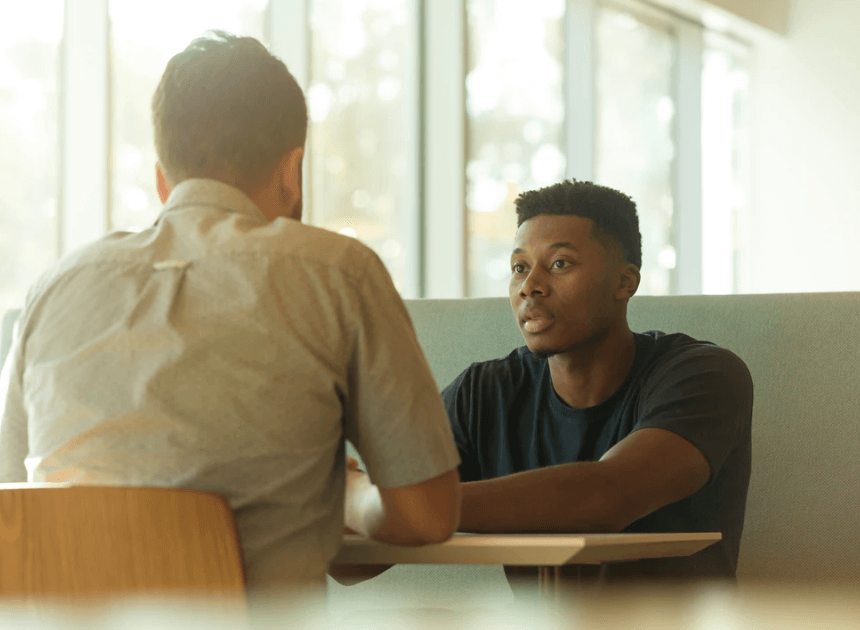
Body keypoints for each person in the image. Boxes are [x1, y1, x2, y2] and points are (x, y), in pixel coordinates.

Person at [0, 32, 461, 596]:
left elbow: (13, 501)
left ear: (162, 179)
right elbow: (427, 516)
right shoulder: (339, 273)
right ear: (291, 172)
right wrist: (352, 496)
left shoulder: (53, 289)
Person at [442, 179, 753, 584]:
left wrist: (399, 505)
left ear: (624, 283)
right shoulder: (483, 393)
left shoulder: (704, 376)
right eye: (519, 267)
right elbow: (354, 565)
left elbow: (606, 497)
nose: (529, 286)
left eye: (559, 264)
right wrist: (360, 502)